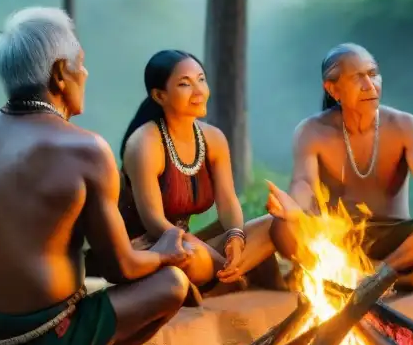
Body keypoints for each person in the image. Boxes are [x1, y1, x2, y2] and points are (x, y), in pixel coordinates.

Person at [0, 8, 193, 345]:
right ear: (60, 74)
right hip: (32, 342)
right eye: (81, 63)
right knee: (173, 284)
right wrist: (164, 253)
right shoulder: (86, 150)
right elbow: (119, 268)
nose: (86, 73)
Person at [230, 43, 413, 291]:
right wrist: (293, 207)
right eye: (357, 78)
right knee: (283, 228)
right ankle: (393, 278)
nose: (369, 85)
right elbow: (304, 183)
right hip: (336, 237)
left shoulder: (405, 125)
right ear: (333, 89)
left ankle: (374, 277)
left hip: (393, 239)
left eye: (373, 74)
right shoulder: (312, 131)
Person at [100, 49, 283, 297]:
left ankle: (225, 280)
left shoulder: (214, 138)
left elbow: (228, 202)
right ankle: (225, 280)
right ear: (159, 95)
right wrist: (216, 259)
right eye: (185, 84)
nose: (199, 91)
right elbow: (155, 223)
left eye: (201, 79)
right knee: (192, 256)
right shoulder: (144, 144)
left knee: (273, 224)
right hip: (150, 251)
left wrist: (235, 238)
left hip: (189, 242)